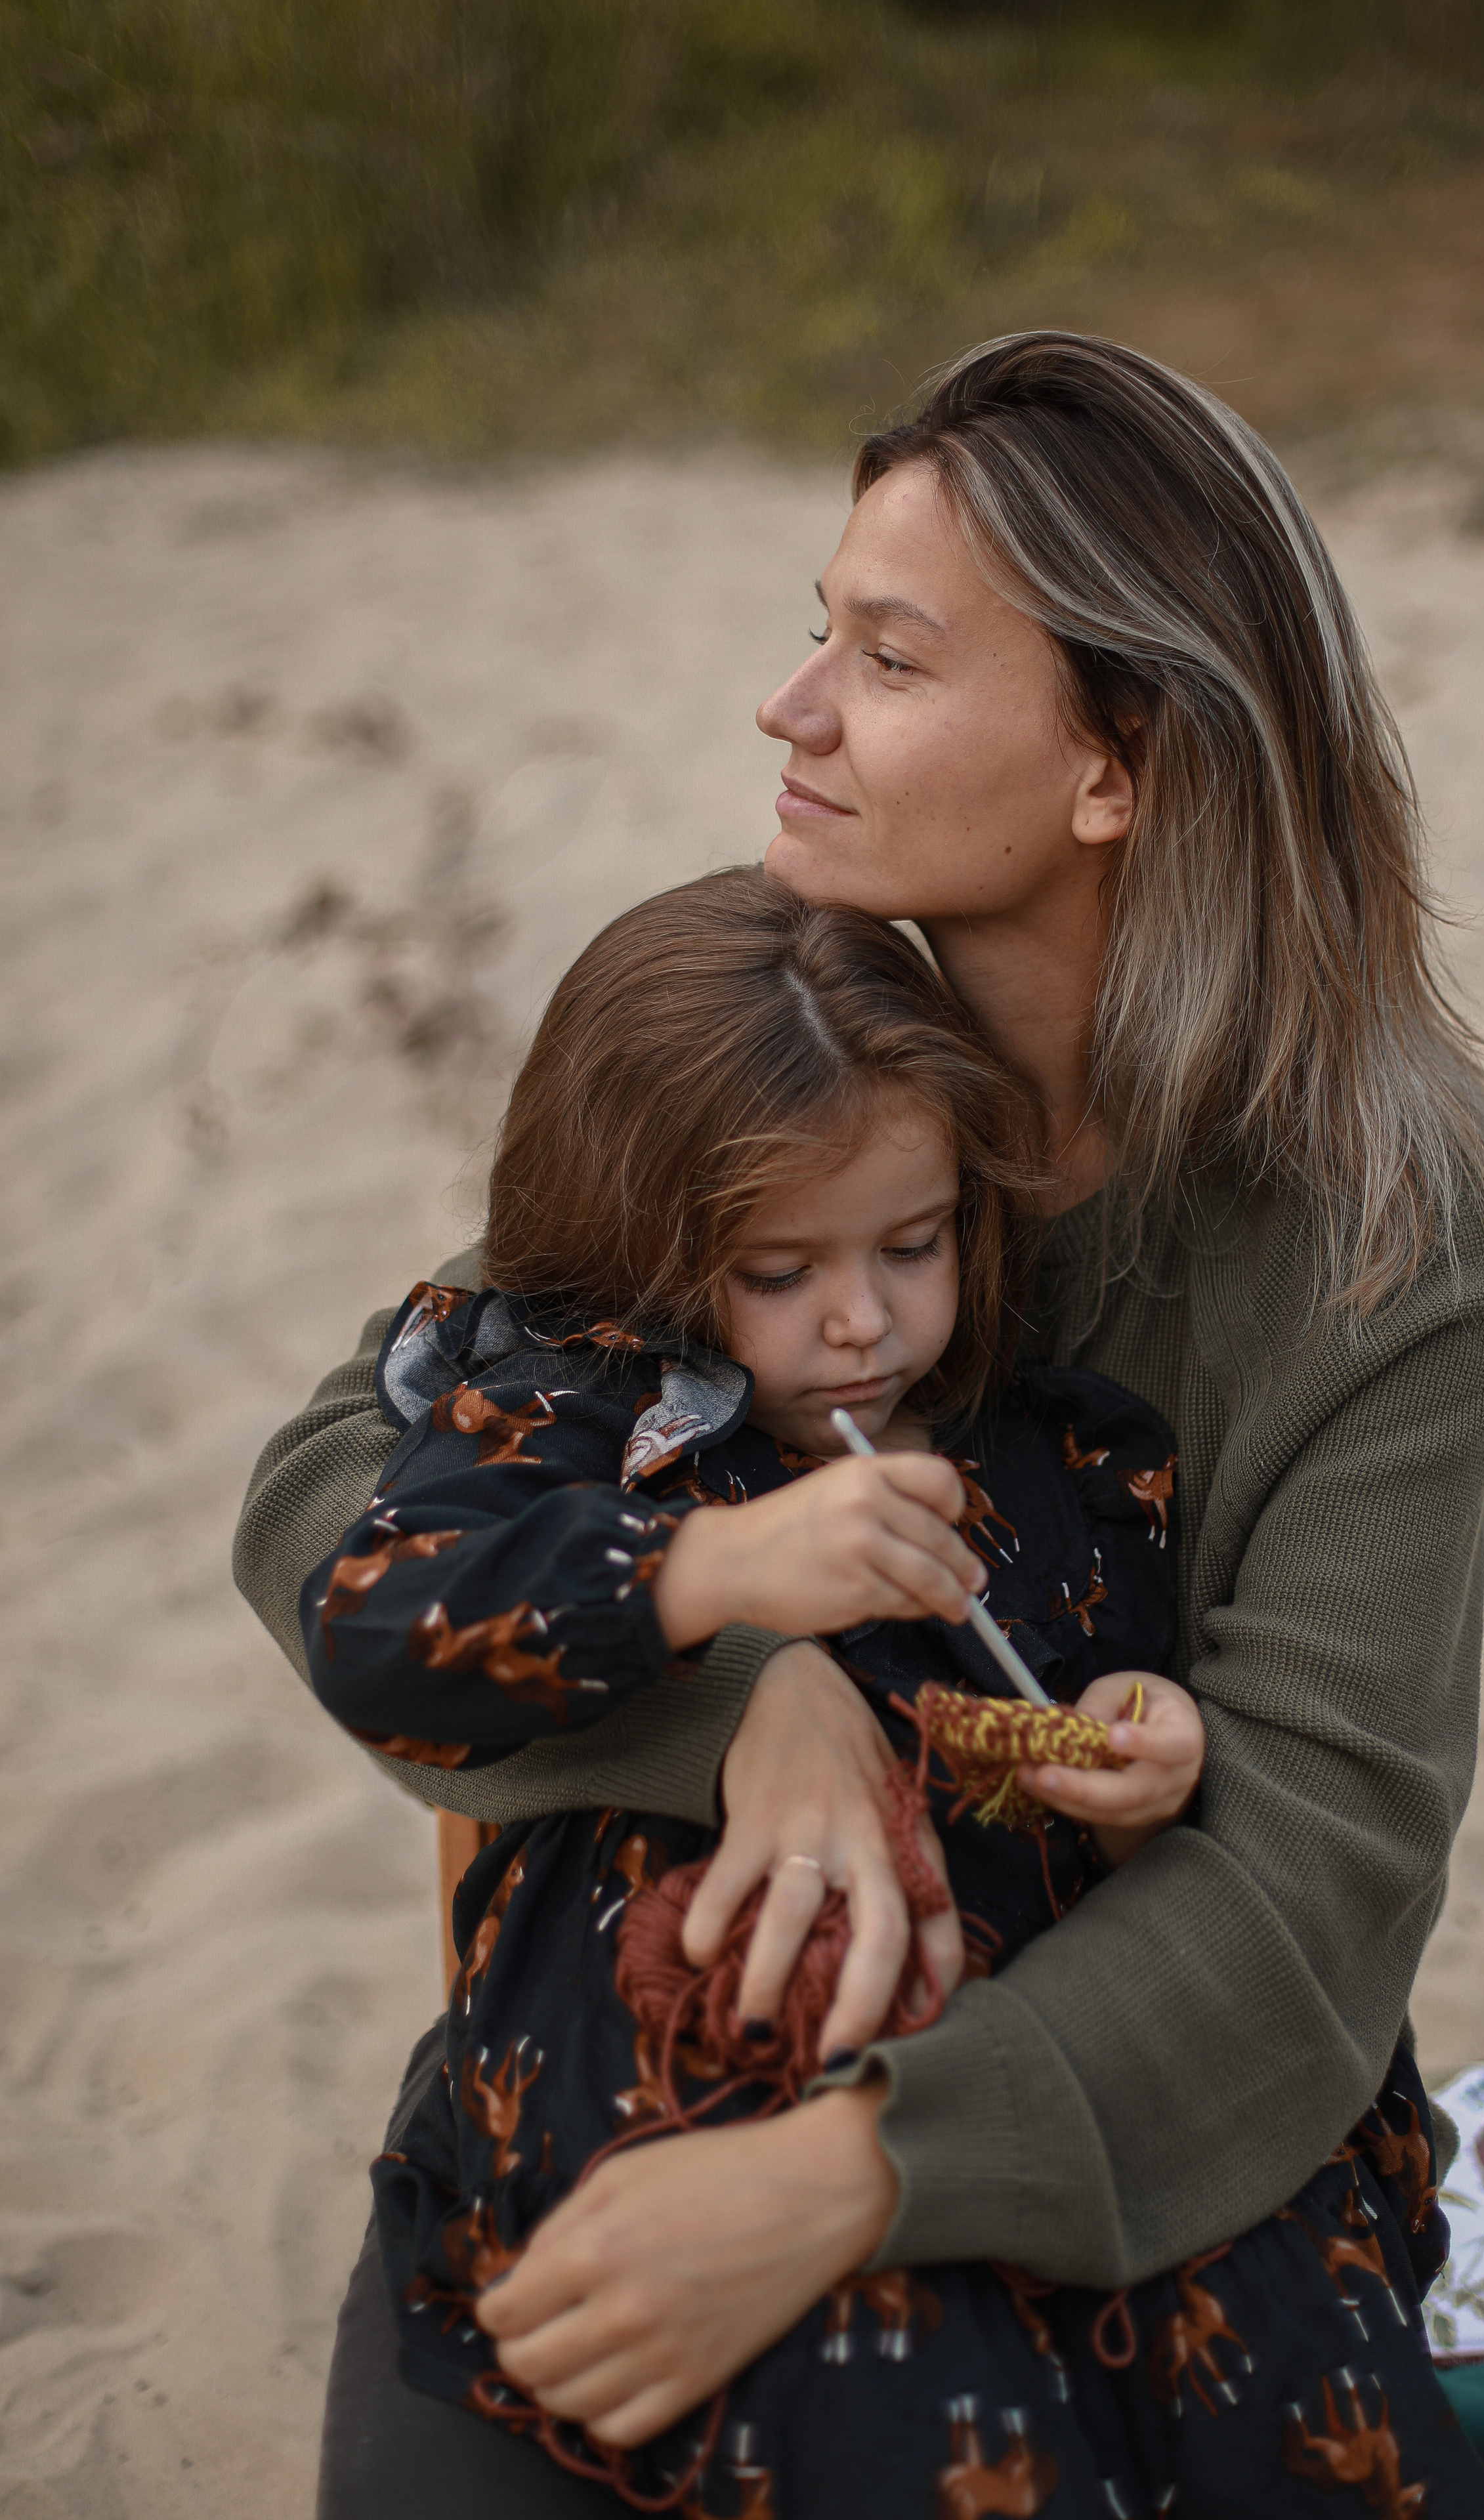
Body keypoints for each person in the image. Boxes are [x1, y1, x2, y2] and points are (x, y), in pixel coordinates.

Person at [235, 331, 1484, 2515]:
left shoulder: (1382, 1223)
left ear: (1117, 764)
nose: (794, 705)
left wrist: (854, 2181)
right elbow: (341, 1504)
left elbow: (1314, 1885)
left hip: (1131, 2100)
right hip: (674, 2047)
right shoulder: (793, 1026)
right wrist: (744, 1692)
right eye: (812, 630)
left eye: (890, 656)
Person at [306, 867, 1210, 2510]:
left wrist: (1136, 1757)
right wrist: (706, 1582)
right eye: (777, 1274)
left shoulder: (1057, 1460)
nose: (860, 1324)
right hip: (632, 2134)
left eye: (912, 1246)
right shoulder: (577, 1420)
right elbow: (373, 1634)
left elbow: (1075, 1767)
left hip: (957, 2129)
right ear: (649, 1251)